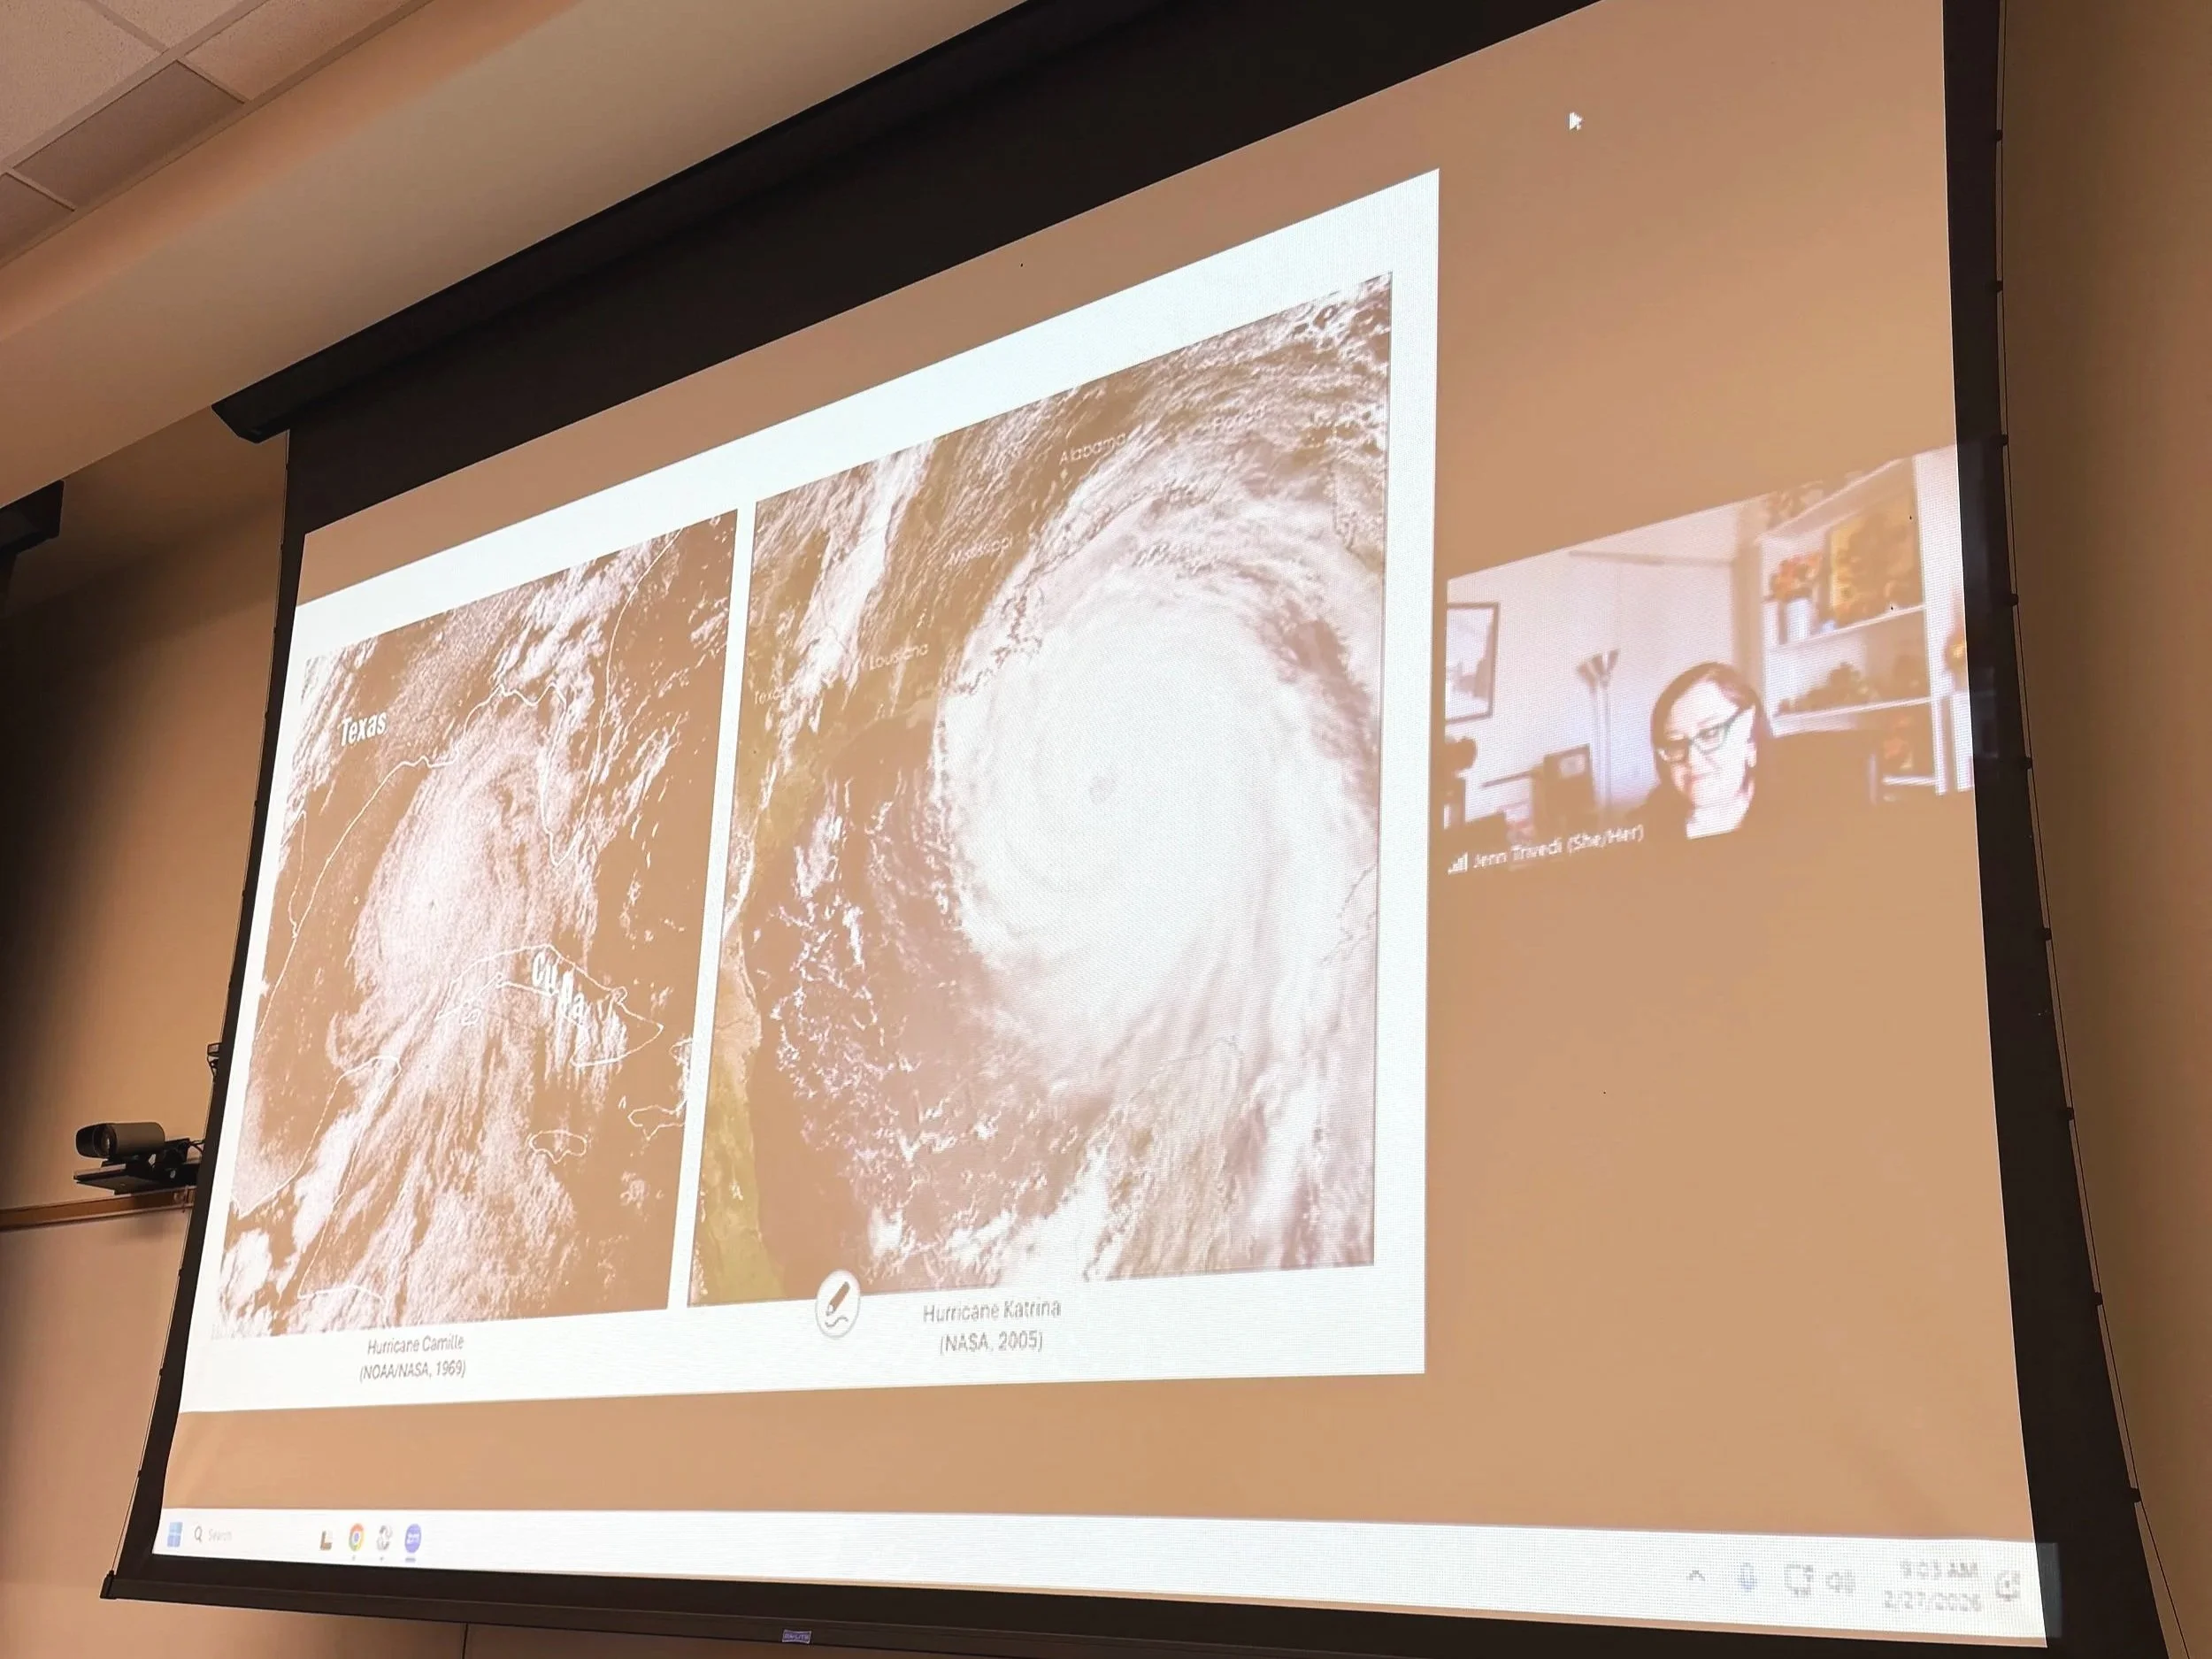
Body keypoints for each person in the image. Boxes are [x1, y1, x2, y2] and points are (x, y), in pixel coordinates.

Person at [1640, 663, 1770, 840]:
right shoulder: (1652, 823)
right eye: (1675, 743)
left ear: (1748, 732)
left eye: (1710, 733)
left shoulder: (1803, 813)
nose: (1692, 759)